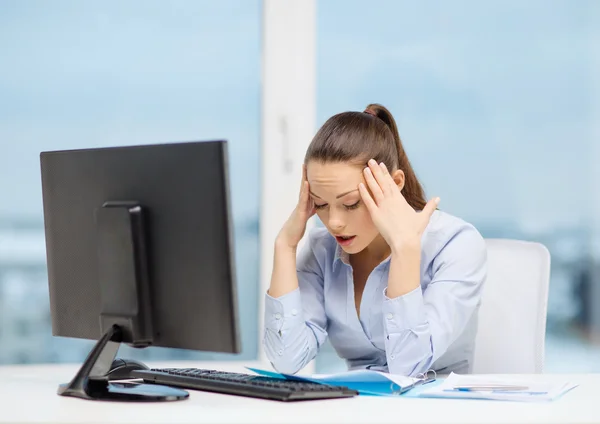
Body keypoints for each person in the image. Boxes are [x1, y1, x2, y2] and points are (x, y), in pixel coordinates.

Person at [263, 103, 487, 377]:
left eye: (351, 203)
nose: (334, 222)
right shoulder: (322, 250)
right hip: (357, 407)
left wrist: (405, 249)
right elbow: (287, 359)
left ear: (394, 183)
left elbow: (408, 367)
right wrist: (284, 246)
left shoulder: (455, 244)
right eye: (320, 204)